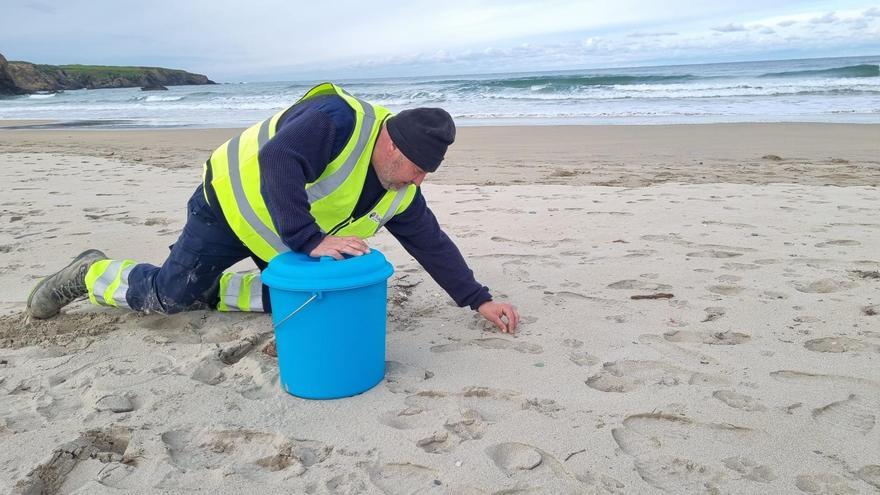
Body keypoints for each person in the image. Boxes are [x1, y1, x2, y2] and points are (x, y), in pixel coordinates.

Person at [26, 82, 519, 333]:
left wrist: (478, 299)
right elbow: (276, 156)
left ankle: (210, 289)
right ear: (390, 144)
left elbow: (430, 242)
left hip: (278, 229)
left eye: (427, 172)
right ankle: (88, 273)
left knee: (303, 302)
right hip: (225, 207)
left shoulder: (401, 189)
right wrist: (310, 241)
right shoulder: (338, 119)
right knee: (169, 297)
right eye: (415, 166)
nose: (419, 179)